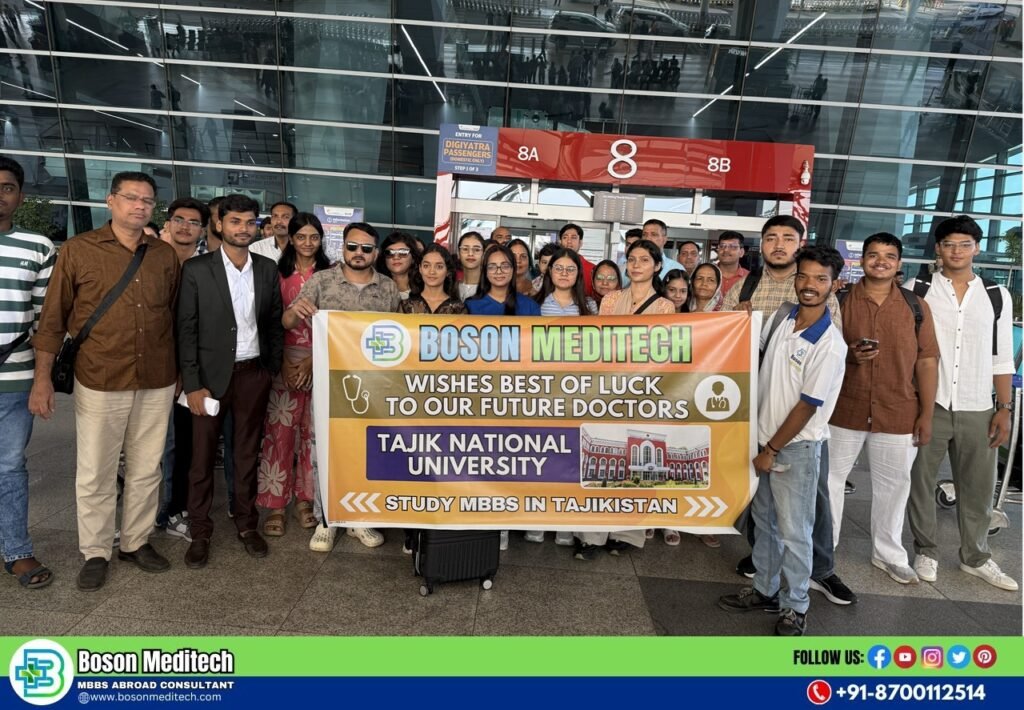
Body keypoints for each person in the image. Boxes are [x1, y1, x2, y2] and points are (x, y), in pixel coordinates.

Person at [31, 171, 180, 592]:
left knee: (147, 467)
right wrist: (42, 379)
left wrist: (180, 375)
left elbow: (173, 317)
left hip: (156, 377)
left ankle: (135, 542)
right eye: (131, 197)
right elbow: (53, 319)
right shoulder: (79, 250)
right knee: (96, 470)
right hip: (99, 376)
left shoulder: (164, 255)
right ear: (110, 201)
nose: (140, 206)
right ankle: (95, 551)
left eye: (147, 200)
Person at [718, 245, 847, 637]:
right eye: (803, 276)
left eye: (820, 279)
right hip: (761, 441)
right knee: (765, 522)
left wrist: (772, 450)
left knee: (794, 531)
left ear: (834, 285)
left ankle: (796, 607)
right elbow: (746, 350)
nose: (810, 285)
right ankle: (765, 589)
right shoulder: (781, 317)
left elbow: (807, 406)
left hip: (794, 448)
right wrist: (738, 320)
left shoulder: (830, 343)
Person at [907, 215, 1017, 591]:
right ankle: (926, 550)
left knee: (978, 486)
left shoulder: (996, 295)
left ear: (977, 249)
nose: (957, 251)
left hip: (977, 404)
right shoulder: (917, 289)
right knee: (920, 481)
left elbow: (1001, 357)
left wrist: (1004, 408)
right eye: (949, 244)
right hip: (930, 403)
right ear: (938, 249)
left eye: (965, 245)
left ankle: (976, 556)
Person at [177, 194, 284, 569]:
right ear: (219, 224)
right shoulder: (197, 269)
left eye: (250, 222)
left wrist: (270, 369)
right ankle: (200, 531)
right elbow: (186, 329)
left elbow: (273, 322)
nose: (243, 228)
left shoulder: (267, 268)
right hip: (209, 380)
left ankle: (246, 523)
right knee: (201, 459)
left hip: (253, 375)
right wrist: (192, 384)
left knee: (246, 454)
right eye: (235, 221)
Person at [827, 233, 939, 586]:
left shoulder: (916, 306)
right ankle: (823, 550)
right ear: (862, 260)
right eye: (873, 254)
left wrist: (927, 414)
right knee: (829, 481)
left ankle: (888, 554)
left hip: (898, 410)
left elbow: (927, 361)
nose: (880, 261)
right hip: (844, 407)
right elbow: (820, 352)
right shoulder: (839, 300)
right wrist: (849, 355)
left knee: (894, 486)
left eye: (889, 256)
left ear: (899, 263)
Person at [285, 222, 400, 552]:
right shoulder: (322, 281)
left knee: (365, 451)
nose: (358, 253)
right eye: (352, 246)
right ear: (342, 248)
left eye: (366, 248)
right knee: (324, 450)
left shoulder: (388, 288)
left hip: (372, 386)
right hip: (328, 381)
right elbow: (287, 321)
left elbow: (398, 333)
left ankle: (359, 518)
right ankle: (326, 519)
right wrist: (294, 312)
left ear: (375, 253)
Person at [257, 213, 331, 539]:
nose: (307, 243)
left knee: (313, 434)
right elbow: (269, 320)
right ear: (291, 238)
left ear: (321, 239)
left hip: (322, 360)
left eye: (314, 237)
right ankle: (275, 505)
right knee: (279, 434)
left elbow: (335, 323)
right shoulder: (275, 272)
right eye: (301, 236)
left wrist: (314, 360)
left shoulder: (331, 275)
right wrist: (284, 360)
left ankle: (306, 500)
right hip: (284, 362)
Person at [0, 156, 56, 590]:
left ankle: (17, 550)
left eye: (7, 187)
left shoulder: (38, 247)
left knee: (9, 466)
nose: (0, 196)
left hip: (14, 381)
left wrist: (42, 380)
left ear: (20, 195)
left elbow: (45, 323)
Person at [156, 197, 211, 542]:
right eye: (179, 219)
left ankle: (174, 510)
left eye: (193, 222)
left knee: (180, 446)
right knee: (144, 449)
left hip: (188, 373)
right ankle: (141, 515)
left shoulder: (207, 268)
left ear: (203, 230)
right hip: (147, 368)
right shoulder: (150, 260)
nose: (185, 226)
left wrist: (186, 374)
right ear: (168, 223)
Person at [466, 244, 541, 316]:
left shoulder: (531, 306)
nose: (499, 271)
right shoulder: (470, 305)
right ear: (485, 271)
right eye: (492, 267)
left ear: (513, 269)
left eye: (505, 266)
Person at [400, 244, 466, 315]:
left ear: (448, 271)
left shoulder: (458, 308)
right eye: (426, 266)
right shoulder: (405, 306)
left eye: (439, 267)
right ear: (420, 269)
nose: (432, 272)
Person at [535, 248, 596, 317]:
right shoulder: (535, 303)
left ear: (578, 272)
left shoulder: (590, 305)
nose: (564, 273)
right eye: (558, 268)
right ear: (550, 270)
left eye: (570, 269)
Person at [374, 231, 420, 300]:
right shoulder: (374, 288)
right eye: (390, 253)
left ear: (413, 258)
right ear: (384, 258)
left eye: (403, 252)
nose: (396, 257)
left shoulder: (425, 288)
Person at [557, 223, 595, 297]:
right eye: (565, 237)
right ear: (560, 242)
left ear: (580, 243)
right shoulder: (553, 266)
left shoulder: (592, 269)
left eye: (573, 238)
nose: (569, 241)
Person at [716, 231, 749, 296]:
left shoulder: (750, 278)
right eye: (722, 246)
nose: (726, 250)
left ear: (741, 252)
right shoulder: (705, 273)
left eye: (732, 247)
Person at [456, 231, 485, 300]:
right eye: (465, 249)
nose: (470, 254)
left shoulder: (490, 288)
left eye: (477, 250)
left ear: (483, 254)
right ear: (458, 254)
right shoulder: (451, 287)